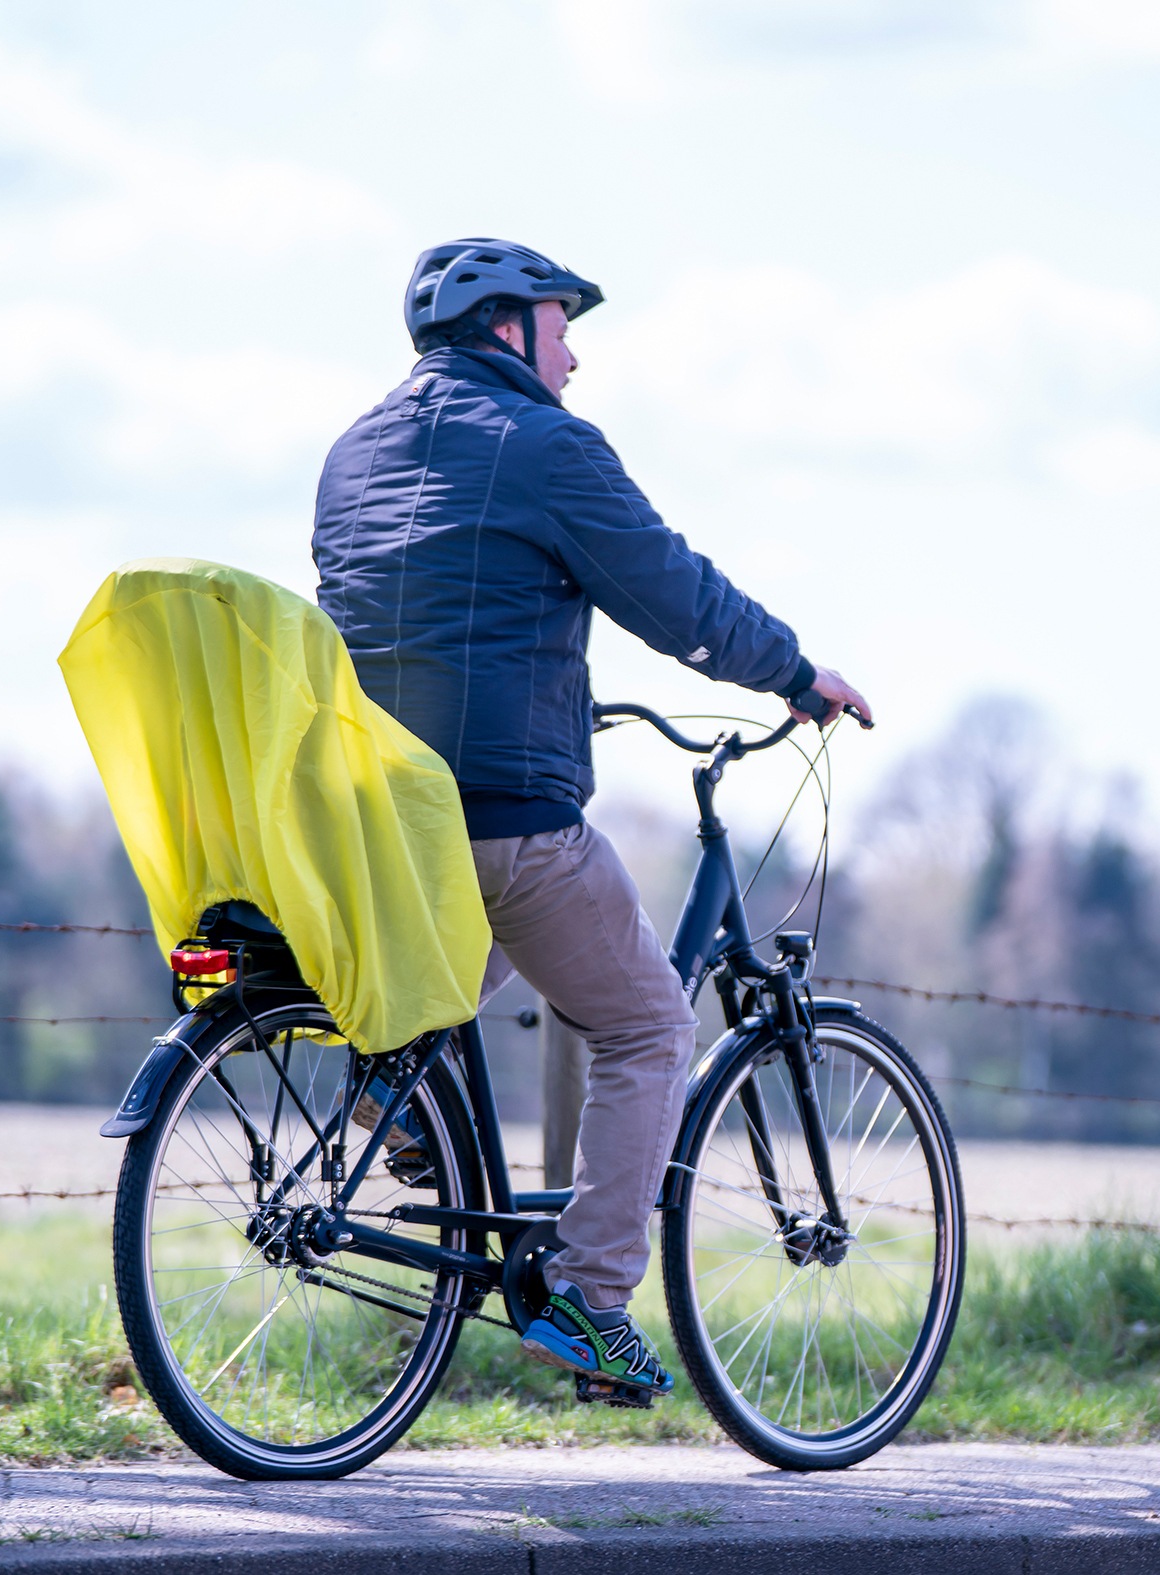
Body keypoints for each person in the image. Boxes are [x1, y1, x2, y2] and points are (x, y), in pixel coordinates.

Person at [310, 239, 868, 1399]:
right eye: (564, 328)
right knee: (647, 1027)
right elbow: (671, 591)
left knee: (463, 963)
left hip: (377, 818)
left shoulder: (352, 451)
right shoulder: (548, 447)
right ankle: (592, 1298)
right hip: (504, 815)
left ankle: (387, 1083)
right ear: (508, 328)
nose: (575, 356)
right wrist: (795, 675)